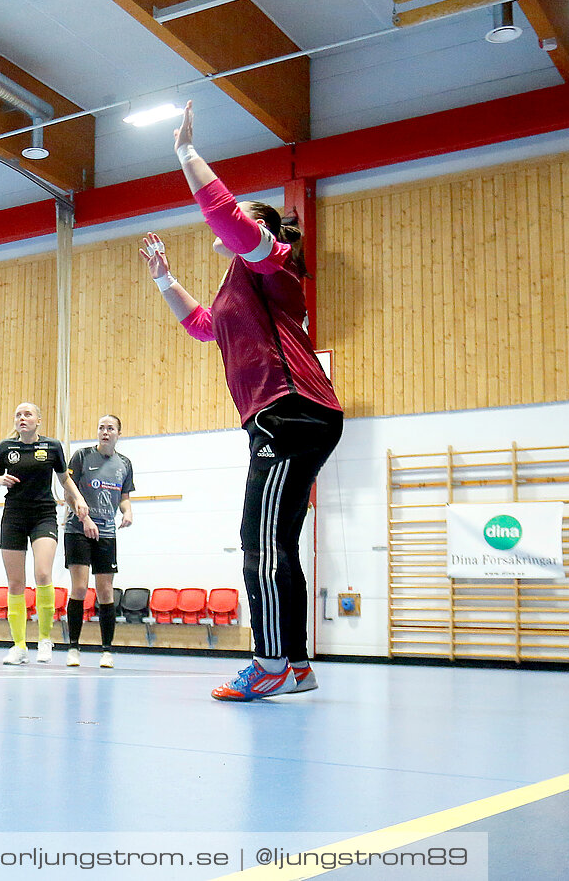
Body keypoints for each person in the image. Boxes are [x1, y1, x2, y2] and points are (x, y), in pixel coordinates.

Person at [140, 102, 343, 701]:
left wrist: (186, 156)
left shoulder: (270, 263)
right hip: (292, 415)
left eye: (238, 222)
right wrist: (163, 279)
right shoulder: (237, 286)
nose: (224, 229)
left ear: (260, 229)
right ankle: (296, 665)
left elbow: (226, 215)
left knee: (260, 542)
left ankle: (271, 660)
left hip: (290, 410)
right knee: (274, 540)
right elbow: (204, 326)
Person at [0, 402, 88, 666]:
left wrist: (78, 499)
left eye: (27, 414)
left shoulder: (52, 447)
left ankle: (45, 639)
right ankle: (19, 645)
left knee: (43, 574)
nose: (22, 418)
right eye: (18, 414)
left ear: (38, 420)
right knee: (15, 583)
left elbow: (65, 478)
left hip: (43, 514)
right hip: (14, 516)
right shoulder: (5, 448)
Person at [63, 416, 135, 668]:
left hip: (106, 532)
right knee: (80, 589)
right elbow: (69, 494)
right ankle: (73, 647)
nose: (105, 432)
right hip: (78, 529)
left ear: (118, 433)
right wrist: (85, 519)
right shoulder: (81, 457)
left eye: (110, 428)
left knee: (105, 591)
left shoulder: (124, 463)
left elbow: (124, 496)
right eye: (101, 427)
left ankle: (107, 650)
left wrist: (127, 511)